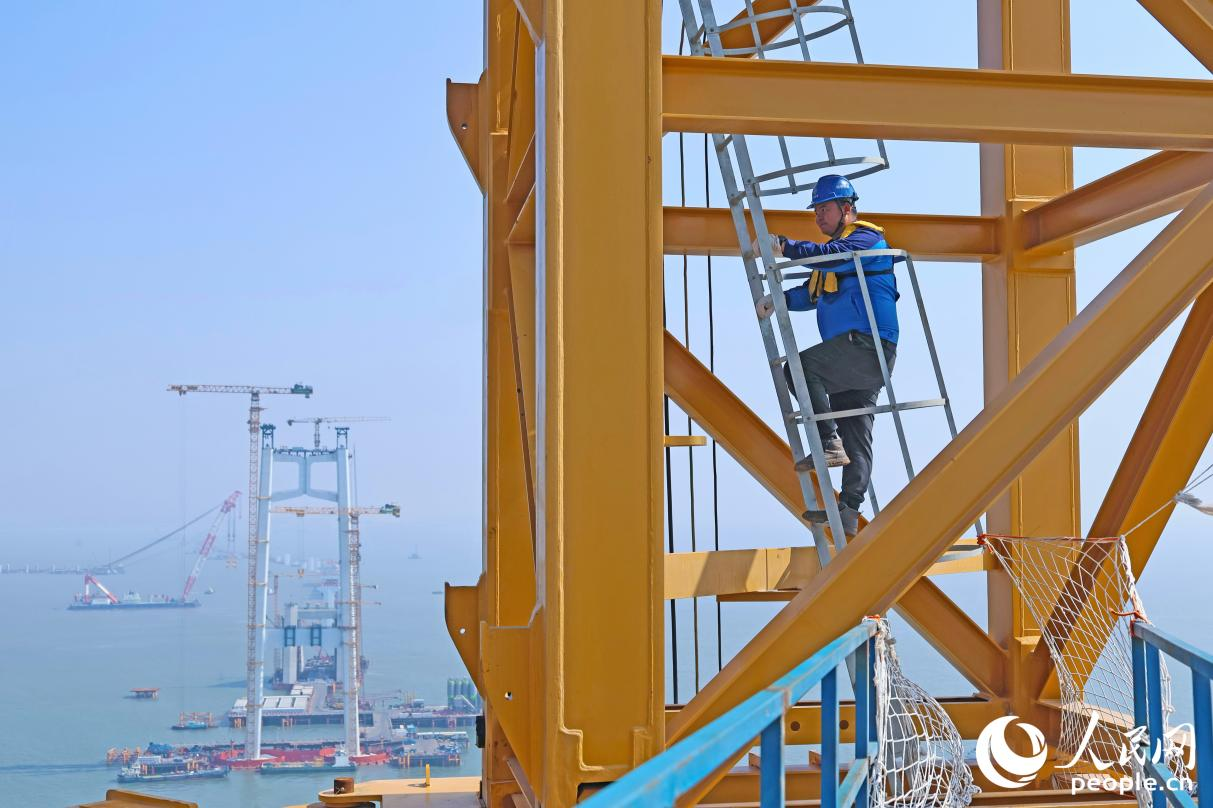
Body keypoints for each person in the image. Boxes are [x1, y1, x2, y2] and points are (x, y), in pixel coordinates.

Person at [753, 174, 898, 538]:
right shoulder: (835, 259)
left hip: (867, 347)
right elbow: (814, 290)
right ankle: (849, 511)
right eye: (816, 209)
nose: (818, 216)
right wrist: (781, 301)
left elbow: (832, 259)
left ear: (847, 209)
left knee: (800, 368)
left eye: (825, 208)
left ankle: (827, 441)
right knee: (857, 436)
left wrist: (785, 247)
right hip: (852, 357)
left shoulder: (865, 239)